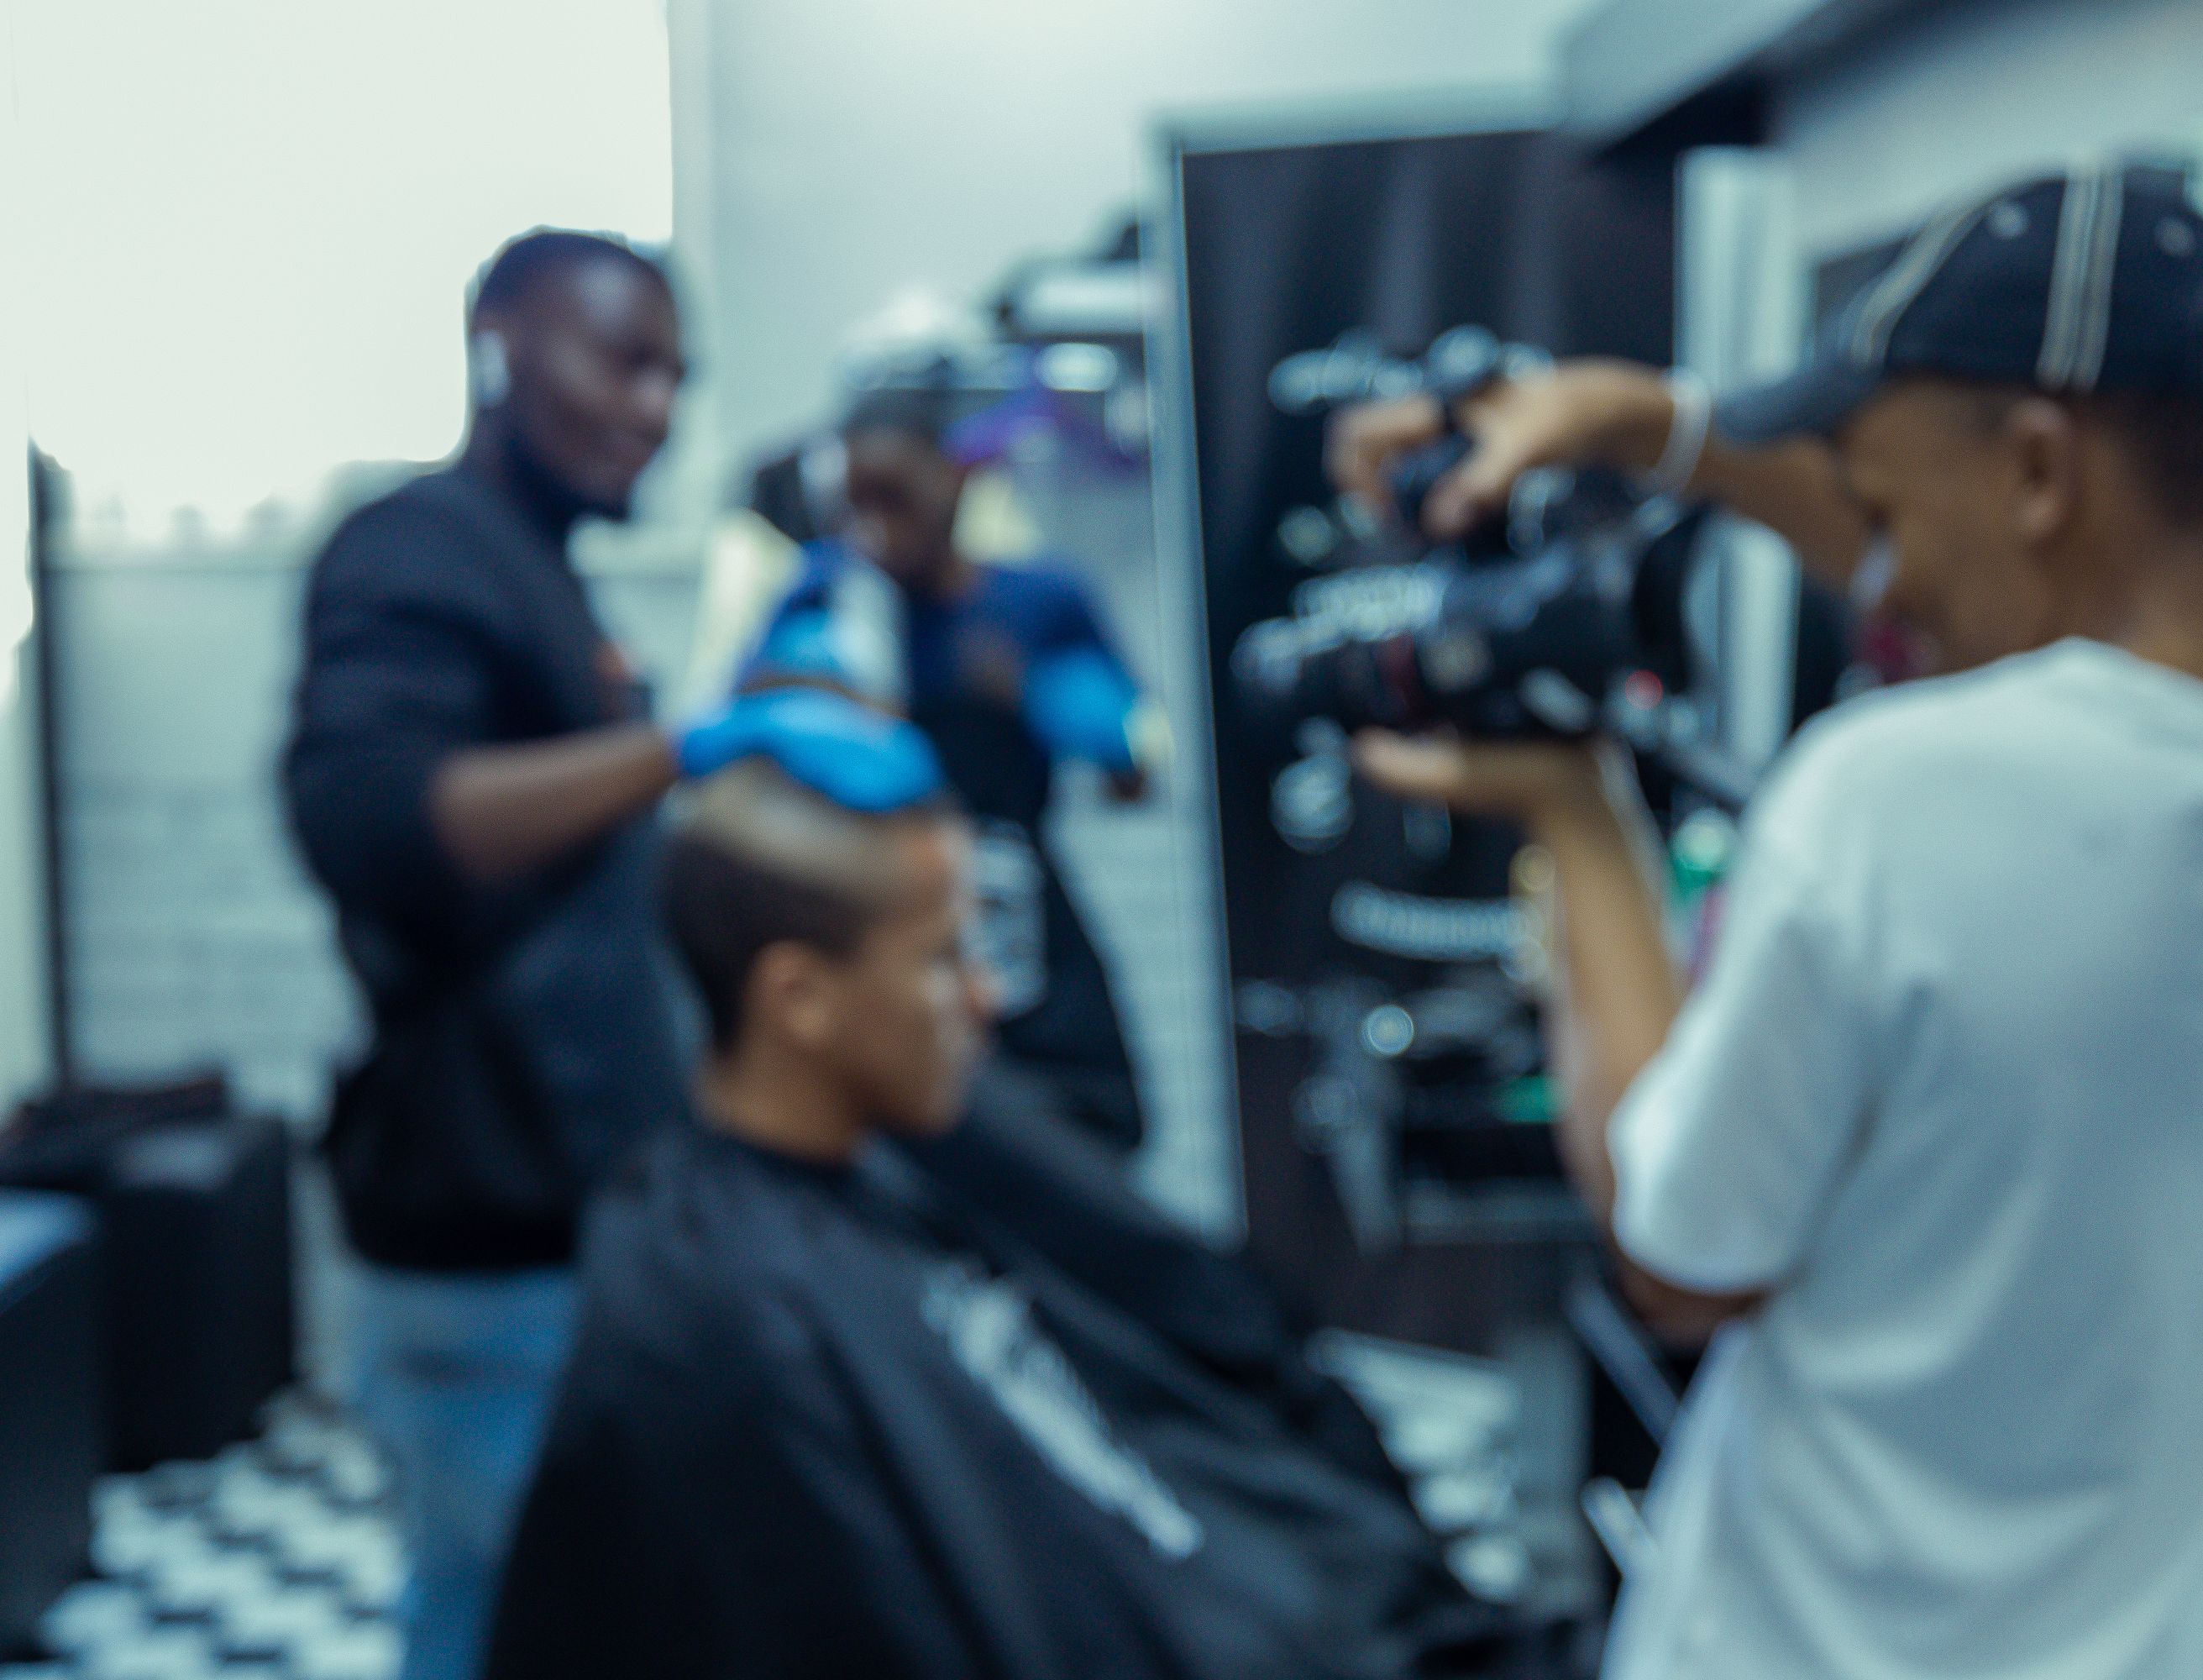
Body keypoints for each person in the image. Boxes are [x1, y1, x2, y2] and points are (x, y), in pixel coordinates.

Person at [1330, 167, 2203, 1678]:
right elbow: (2061, 611)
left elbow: (1682, 1258)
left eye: (1884, 511)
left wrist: (1581, 824)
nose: (1876, 579)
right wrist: (1653, 427)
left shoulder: (1889, 801)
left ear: (2039, 468)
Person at [482, 759, 1572, 1680]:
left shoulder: (888, 1183)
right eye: (940, 957)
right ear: (799, 997)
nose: (986, 996)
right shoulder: (720, 1325)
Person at [285, 228, 941, 1680]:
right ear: (500, 342)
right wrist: (691, 740)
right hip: (487, 1242)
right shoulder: (412, 547)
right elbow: (373, 820)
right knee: (504, 1624)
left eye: (676, 380)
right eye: (624, 363)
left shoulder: (545, 574)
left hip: (583, 1222)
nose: (656, 409)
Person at [742, 381, 1160, 1148]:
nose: (875, 527)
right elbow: (743, 757)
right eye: (853, 505)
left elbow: (1135, 778)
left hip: (1015, 920)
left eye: (895, 498)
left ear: (956, 479)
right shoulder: (825, 597)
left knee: (1085, 1139)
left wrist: (1044, 698)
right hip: (880, 921)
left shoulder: (1039, 600)